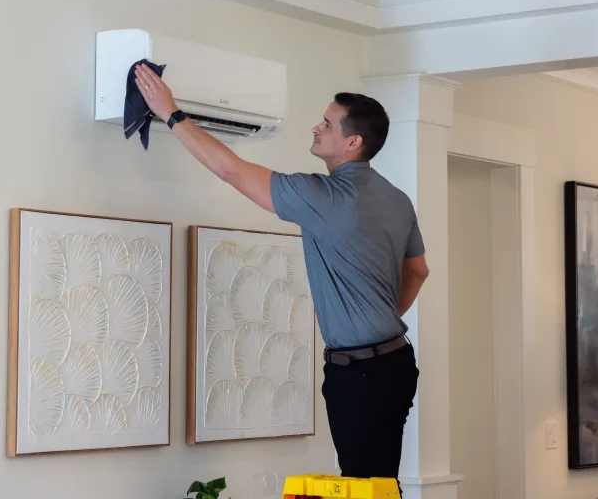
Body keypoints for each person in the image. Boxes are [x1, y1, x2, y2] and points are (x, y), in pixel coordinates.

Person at [134, 64, 430, 480]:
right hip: (395, 362)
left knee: (365, 486)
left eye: (327, 124)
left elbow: (232, 170)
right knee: (378, 484)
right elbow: (418, 270)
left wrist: (173, 114)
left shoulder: (326, 196)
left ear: (353, 142)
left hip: (360, 373)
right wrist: (376, 319)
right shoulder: (396, 198)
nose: (316, 127)